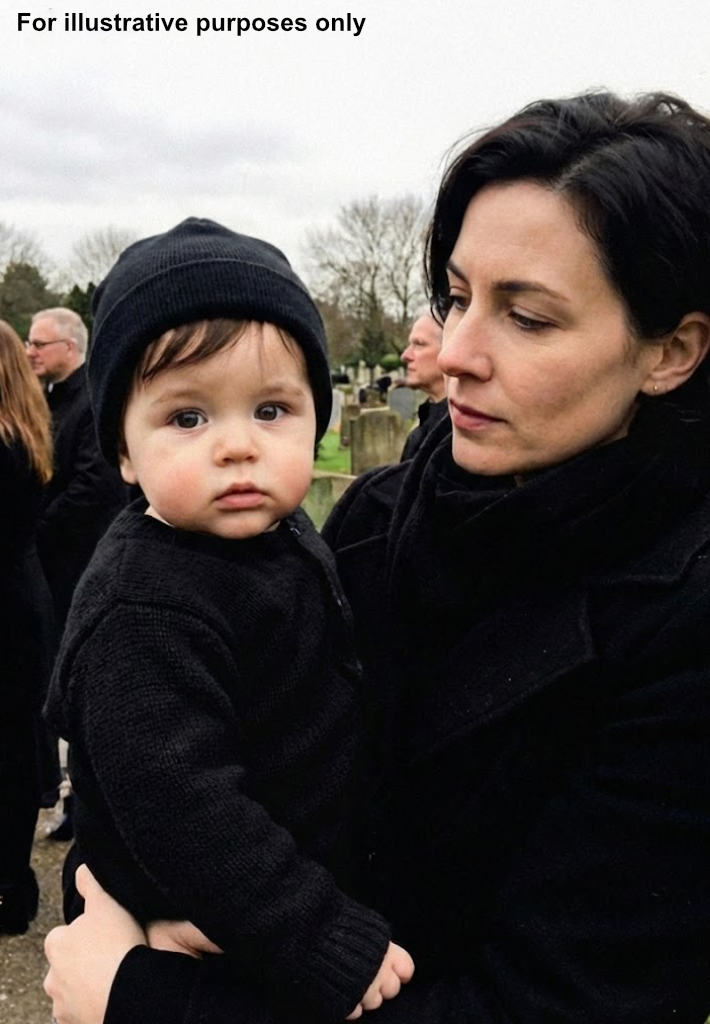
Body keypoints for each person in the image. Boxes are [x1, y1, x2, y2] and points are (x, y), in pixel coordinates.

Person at [45, 92, 710, 1024]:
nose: (453, 353)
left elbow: (560, 1007)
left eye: (525, 317)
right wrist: (128, 909)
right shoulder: (377, 517)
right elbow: (168, 768)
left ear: (671, 351)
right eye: (454, 298)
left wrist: (139, 997)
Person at [43, 217, 413, 1021]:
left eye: (271, 409)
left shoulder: (280, 535)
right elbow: (182, 806)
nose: (238, 446)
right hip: (198, 919)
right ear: (123, 453)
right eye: (188, 418)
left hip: (260, 898)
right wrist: (317, 935)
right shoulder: (143, 605)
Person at [0, 319, 55, 934]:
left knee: (9, 755)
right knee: (13, 749)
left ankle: (11, 891)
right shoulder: (26, 432)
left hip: (6, 611)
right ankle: (12, 886)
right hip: (22, 600)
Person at [27, 307, 127, 627]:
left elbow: (94, 485)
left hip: (79, 560)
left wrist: (38, 530)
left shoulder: (93, 402)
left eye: (39, 344)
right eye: (29, 344)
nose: (29, 353)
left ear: (69, 347)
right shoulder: (48, 399)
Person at [398, 312, 447, 460]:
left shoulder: (460, 439)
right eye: (409, 345)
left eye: (419, 344)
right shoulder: (421, 431)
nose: (405, 356)